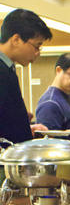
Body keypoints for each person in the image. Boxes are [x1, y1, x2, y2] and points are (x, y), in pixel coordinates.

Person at [0, 8, 52, 144]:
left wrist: (24, 127)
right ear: (16, 39)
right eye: (37, 46)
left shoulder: (7, 68)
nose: (38, 53)